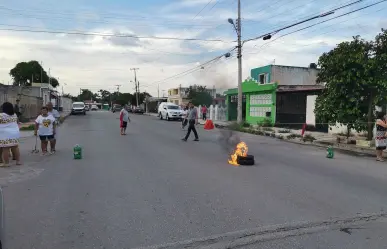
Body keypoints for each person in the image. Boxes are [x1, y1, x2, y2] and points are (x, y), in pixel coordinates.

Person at [0, 102, 21, 167]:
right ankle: (18, 161)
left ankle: (6, 163)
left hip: (5, 134)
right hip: (15, 133)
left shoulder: (1, 115)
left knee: (5, 148)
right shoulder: (14, 115)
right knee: (15, 147)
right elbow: (17, 122)